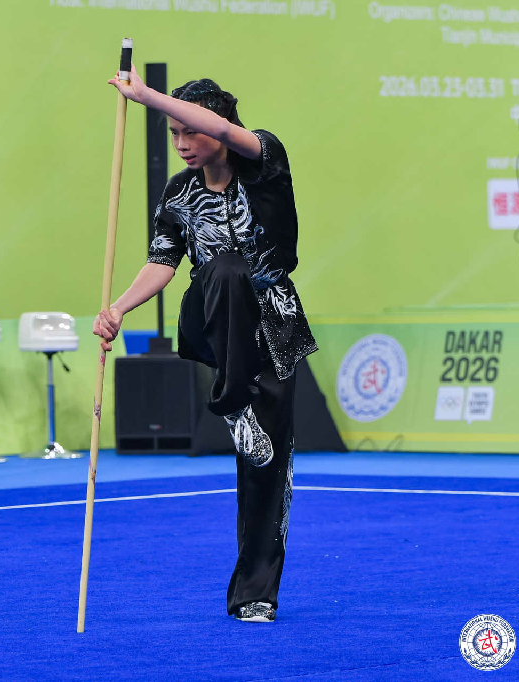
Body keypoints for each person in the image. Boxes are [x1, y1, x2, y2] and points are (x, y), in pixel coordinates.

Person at [93, 65, 317, 623]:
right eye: (173, 134)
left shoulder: (265, 159)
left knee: (269, 470)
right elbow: (162, 262)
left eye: (189, 131)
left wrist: (147, 96)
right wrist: (117, 309)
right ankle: (233, 404)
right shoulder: (178, 193)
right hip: (212, 322)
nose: (181, 143)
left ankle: (254, 596)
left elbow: (223, 130)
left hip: (274, 329)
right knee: (225, 269)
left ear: (218, 128)